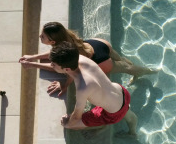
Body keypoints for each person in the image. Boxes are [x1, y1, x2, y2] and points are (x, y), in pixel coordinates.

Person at [19, 22, 155, 95]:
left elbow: (69, 72)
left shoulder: (64, 50)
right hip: (99, 43)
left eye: (42, 36)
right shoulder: (66, 36)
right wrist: (34, 57)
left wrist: (63, 85)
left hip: (101, 62)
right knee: (125, 65)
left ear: (53, 42)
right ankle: (137, 68)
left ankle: (149, 72)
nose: (40, 36)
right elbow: (52, 54)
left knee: (128, 69)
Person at [49, 41, 137, 135]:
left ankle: (102, 124)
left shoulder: (82, 87)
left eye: (53, 64)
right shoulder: (80, 58)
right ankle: (133, 133)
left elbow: (76, 118)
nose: (51, 65)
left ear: (67, 69)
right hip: (122, 93)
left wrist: (67, 123)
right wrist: (64, 85)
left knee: (72, 125)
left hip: (113, 114)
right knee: (127, 113)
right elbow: (72, 73)